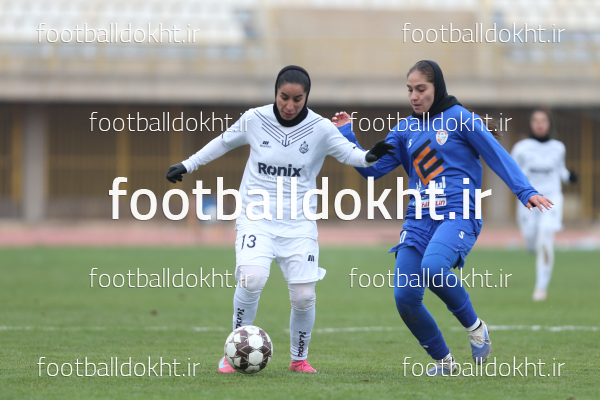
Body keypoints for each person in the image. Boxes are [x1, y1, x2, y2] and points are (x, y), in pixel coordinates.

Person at [165, 65, 394, 373]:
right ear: (276, 92)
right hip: (256, 217)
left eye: (297, 99)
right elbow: (222, 142)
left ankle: (299, 359)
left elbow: (350, 154)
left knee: (304, 296)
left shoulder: (320, 128)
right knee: (251, 278)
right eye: (284, 97)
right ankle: (233, 352)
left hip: (299, 224)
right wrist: (188, 164)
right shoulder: (255, 119)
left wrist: (369, 156)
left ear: (306, 97)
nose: (289, 105)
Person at [331, 60, 553, 375]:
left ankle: (476, 328)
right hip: (418, 220)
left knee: (434, 268)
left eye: (421, 89)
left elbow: (498, 156)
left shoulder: (461, 119)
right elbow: (371, 170)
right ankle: (444, 363)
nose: (414, 96)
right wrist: (347, 136)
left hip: (458, 214)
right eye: (410, 90)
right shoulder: (404, 130)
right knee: (405, 297)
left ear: (437, 87)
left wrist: (525, 191)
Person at [511, 109, 577, 301]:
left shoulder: (558, 147)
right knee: (532, 242)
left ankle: (540, 288)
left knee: (545, 239)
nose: (539, 124)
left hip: (551, 199)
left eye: (543, 120)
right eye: (536, 120)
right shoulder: (521, 148)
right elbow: (511, 171)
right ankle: (531, 245)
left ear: (549, 124)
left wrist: (570, 177)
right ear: (531, 123)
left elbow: (560, 171)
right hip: (529, 200)